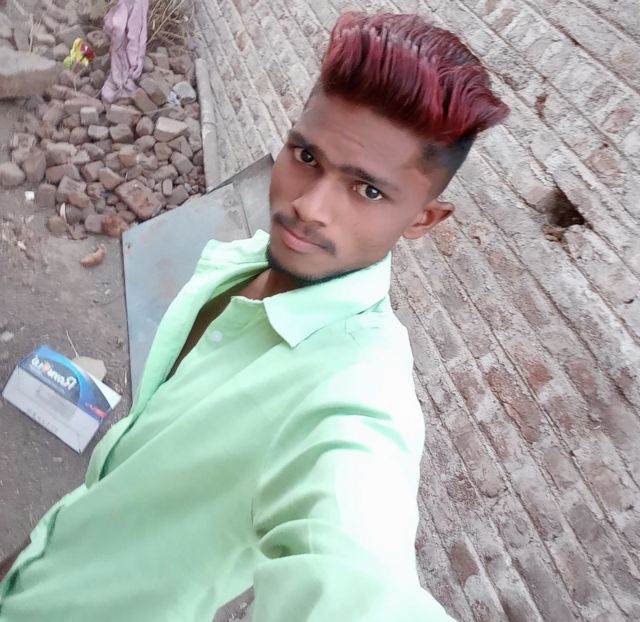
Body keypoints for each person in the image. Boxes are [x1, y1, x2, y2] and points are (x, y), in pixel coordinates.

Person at [0, 11, 508, 621]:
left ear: (422, 220)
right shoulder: (239, 262)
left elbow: (355, 576)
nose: (309, 206)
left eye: (368, 190)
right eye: (307, 155)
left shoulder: (354, 397)